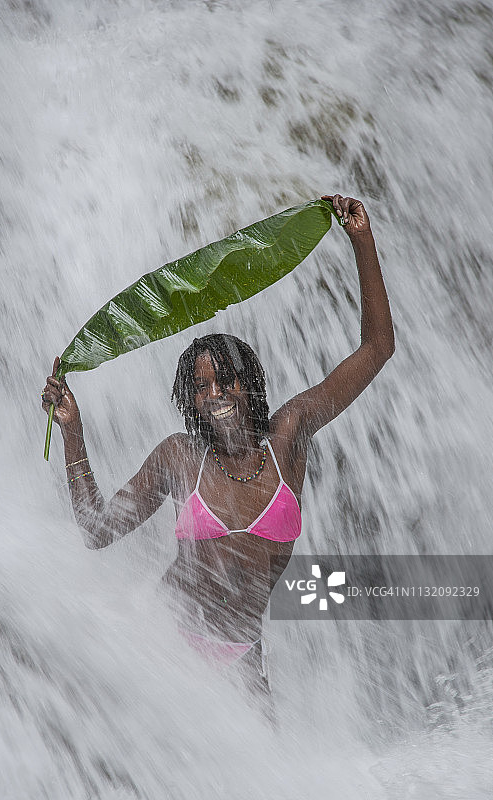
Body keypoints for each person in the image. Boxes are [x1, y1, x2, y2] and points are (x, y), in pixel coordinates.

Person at [42, 193, 394, 697]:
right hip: (163, 644)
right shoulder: (180, 457)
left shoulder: (289, 437)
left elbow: (377, 348)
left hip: (242, 658)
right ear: (191, 402)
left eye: (226, 380)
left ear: (250, 383)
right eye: (201, 388)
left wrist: (361, 240)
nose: (216, 396)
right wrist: (74, 431)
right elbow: (96, 531)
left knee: (268, 776)